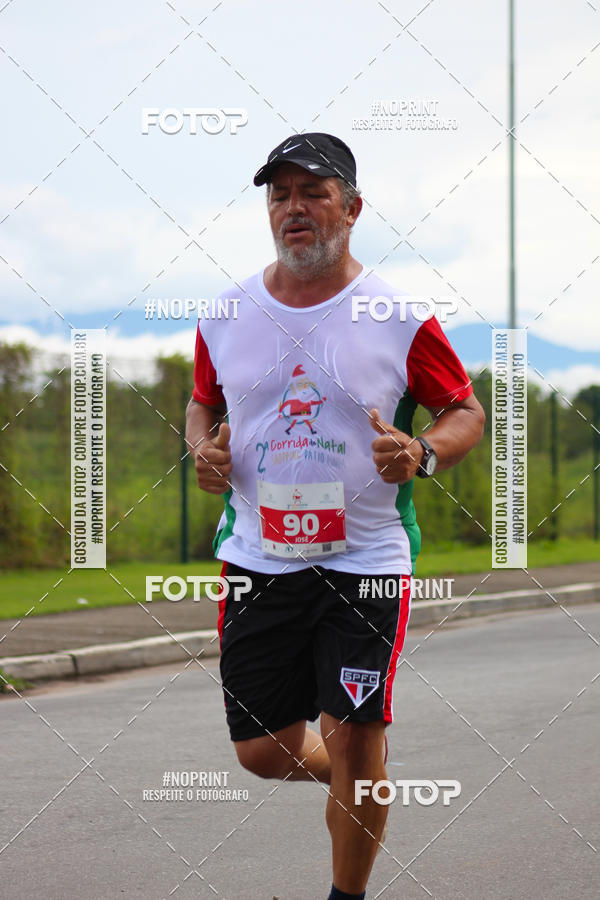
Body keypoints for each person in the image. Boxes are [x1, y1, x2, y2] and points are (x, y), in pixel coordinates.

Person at [186, 132, 485, 900]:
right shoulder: (225, 312)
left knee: (354, 733)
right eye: (279, 195)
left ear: (351, 208)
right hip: (257, 558)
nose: (294, 208)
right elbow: (203, 403)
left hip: (366, 559)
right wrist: (202, 452)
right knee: (261, 751)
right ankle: (360, 776)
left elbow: (463, 410)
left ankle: (348, 876)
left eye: (313, 192)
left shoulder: (397, 315)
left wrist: (421, 453)